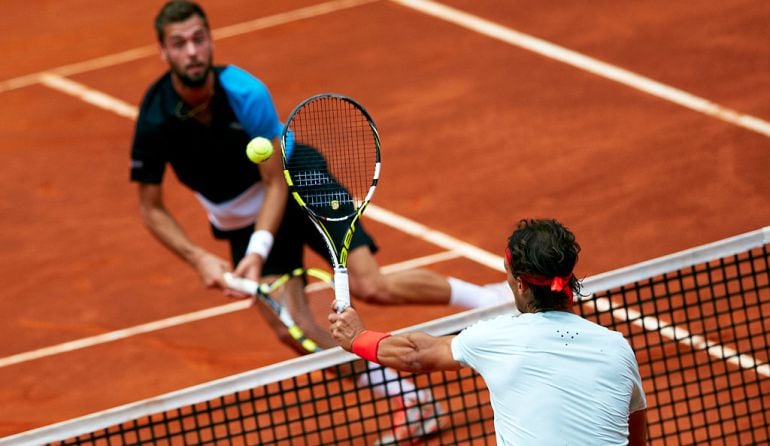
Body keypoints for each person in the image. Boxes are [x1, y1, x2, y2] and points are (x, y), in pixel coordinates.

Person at [130, 1, 505, 442]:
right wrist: (198, 260)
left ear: (210, 40)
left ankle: (488, 300)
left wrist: (255, 252)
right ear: (163, 51)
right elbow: (150, 208)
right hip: (240, 217)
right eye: (179, 44)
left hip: (296, 180)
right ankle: (411, 399)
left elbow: (274, 183)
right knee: (293, 328)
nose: (192, 51)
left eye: (198, 39)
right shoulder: (155, 119)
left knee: (369, 285)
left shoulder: (244, 93)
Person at [330, 219, 648, 445]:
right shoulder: (618, 348)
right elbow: (635, 437)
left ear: (521, 285)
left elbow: (416, 354)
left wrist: (358, 338)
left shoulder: (496, 338)